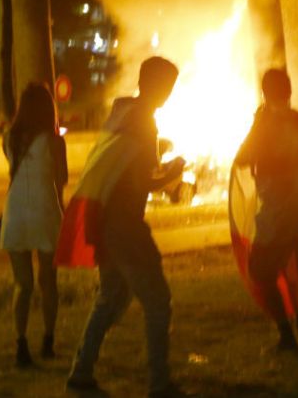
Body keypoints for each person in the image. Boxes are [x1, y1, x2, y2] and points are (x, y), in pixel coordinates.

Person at [58, 57, 185, 398]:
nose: (169, 94)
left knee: (110, 297)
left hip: (106, 222)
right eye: (168, 86)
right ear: (156, 85)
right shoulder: (144, 122)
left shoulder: (122, 113)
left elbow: (123, 173)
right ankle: (159, 384)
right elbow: (140, 181)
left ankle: (81, 373)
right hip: (126, 226)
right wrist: (171, 174)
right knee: (157, 301)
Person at [234, 68, 298, 353]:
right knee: (292, 270)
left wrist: (258, 123)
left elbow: (243, 157)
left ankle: (287, 336)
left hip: (276, 210)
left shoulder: (265, 126)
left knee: (259, 270)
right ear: (289, 91)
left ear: (264, 93)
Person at [0, 82, 68, 367]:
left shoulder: (9, 138)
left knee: (23, 284)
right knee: (48, 282)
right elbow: (61, 179)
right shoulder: (55, 142)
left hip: (15, 212)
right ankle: (48, 341)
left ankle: (21, 344)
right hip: (45, 211)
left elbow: (13, 170)